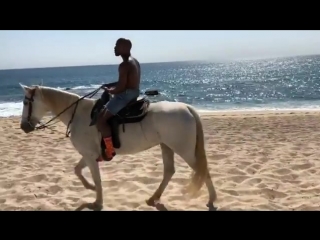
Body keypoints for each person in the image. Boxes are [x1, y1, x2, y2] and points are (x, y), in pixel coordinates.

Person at [96, 38, 141, 160]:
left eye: (117, 45)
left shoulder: (124, 65)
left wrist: (110, 91)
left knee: (101, 120)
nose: (114, 47)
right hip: (134, 92)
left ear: (125, 48)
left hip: (125, 96)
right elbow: (126, 81)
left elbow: (121, 87)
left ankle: (110, 151)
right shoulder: (134, 61)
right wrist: (110, 84)